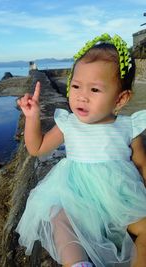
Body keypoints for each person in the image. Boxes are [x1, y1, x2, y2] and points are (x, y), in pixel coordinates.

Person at [16, 33, 146, 267]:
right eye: (75, 86)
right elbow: (37, 148)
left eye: (94, 90)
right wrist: (32, 117)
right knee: (60, 220)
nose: (81, 96)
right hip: (78, 198)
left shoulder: (128, 127)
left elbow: (142, 165)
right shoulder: (69, 123)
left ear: (120, 99)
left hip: (120, 198)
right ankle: (77, 263)